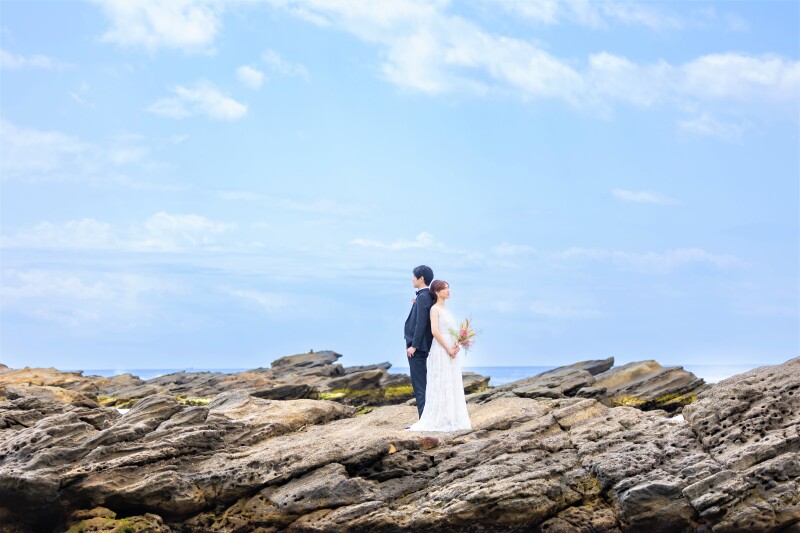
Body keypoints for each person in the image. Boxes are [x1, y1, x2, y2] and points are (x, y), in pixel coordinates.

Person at [408, 280, 472, 432]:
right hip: (441, 348)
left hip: (451, 348)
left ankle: (452, 416)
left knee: (451, 381)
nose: (448, 290)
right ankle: (441, 417)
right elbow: (435, 331)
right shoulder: (435, 309)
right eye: (445, 288)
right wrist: (448, 348)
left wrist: (457, 343)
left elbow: (452, 330)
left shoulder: (447, 309)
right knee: (441, 381)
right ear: (437, 292)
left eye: (448, 288)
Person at [404, 265, 434, 418]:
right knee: (423, 384)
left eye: (413, 276)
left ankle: (424, 419)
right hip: (423, 346)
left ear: (421, 279)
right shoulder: (426, 296)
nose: (412, 279)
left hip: (418, 347)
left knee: (420, 385)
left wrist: (413, 346)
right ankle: (426, 417)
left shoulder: (423, 297)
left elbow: (421, 324)